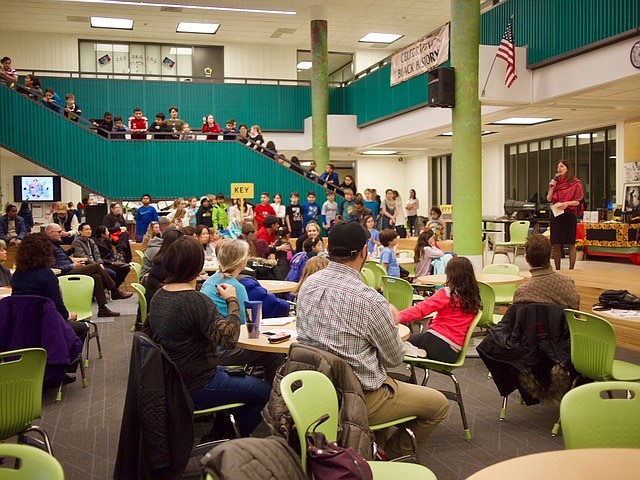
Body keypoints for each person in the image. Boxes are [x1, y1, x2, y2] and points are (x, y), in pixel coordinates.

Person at [296, 221, 449, 459]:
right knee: (439, 404)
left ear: (329, 249)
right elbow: (394, 358)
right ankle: (389, 455)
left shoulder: (308, 285)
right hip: (358, 396)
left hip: (315, 389)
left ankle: (374, 446)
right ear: (363, 252)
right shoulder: (370, 300)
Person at [146, 235, 270, 439]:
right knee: (265, 391)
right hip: (198, 382)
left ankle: (221, 428)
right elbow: (229, 339)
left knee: (240, 376)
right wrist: (231, 300)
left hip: (173, 379)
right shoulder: (194, 300)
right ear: (197, 265)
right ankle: (224, 437)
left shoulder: (160, 295)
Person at [398, 257, 481, 363]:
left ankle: (414, 351)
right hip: (453, 352)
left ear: (450, 274)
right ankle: (416, 351)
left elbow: (420, 310)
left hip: (438, 342)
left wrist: (396, 316)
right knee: (412, 340)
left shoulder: (447, 293)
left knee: (396, 341)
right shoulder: (473, 296)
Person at [11, 233, 88, 343]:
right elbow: (56, 306)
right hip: (44, 323)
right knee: (81, 328)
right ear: (45, 251)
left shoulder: (17, 274)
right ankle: (70, 359)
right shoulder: (46, 275)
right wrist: (69, 315)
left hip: (19, 324)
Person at [45, 224, 120, 317]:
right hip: (64, 273)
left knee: (97, 276)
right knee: (96, 267)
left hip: (70, 268)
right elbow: (53, 266)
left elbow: (62, 258)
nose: (62, 234)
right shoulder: (48, 246)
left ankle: (102, 308)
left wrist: (70, 254)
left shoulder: (56, 244)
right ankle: (114, 291)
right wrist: (72, 265)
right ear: (51, 233)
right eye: (59, 232)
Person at [513, 234, 580, 309]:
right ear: (550, 255)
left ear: (526, 259)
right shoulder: (568, 284)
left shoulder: (521, 292)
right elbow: (576, 313)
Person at [72, 223, 132, 300]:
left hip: (98, 264)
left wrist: (100, 263)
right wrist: (97, 264)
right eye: (86, 230)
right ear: (80, 231)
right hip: (86, 265)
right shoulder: (77, 242)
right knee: (111, 273)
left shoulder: (91, 241)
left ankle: (114, 290)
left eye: (90, 229)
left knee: (124, 268)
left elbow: (97, 255)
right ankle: (114, 292)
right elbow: (83, 256)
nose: (89, 231)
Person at [547, 160, 584, 270]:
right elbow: (549, 199)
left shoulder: (576, 183)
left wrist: (566, 204)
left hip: (569, 214)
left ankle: (571, 269)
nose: (559, 168)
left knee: (570, 243)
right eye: (558, 167)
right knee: (556, 244)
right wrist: (552, 187)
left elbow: (579, 201)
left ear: (568, 168)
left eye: (562, 166)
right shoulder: (555, 183)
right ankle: (557, 269)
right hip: (556, 215)